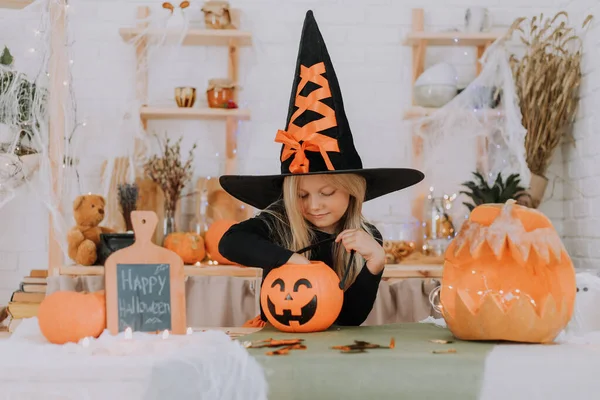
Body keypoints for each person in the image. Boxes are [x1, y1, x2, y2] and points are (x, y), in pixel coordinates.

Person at [218, 10, 424, 327]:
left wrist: (375, 262)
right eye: (302, 195)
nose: (313, 205)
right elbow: (229, 242)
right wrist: (291, 260)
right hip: (278, 342)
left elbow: (351, 318)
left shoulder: (365, 238)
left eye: (327, 192)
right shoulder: (278, 222)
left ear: (352, 191)